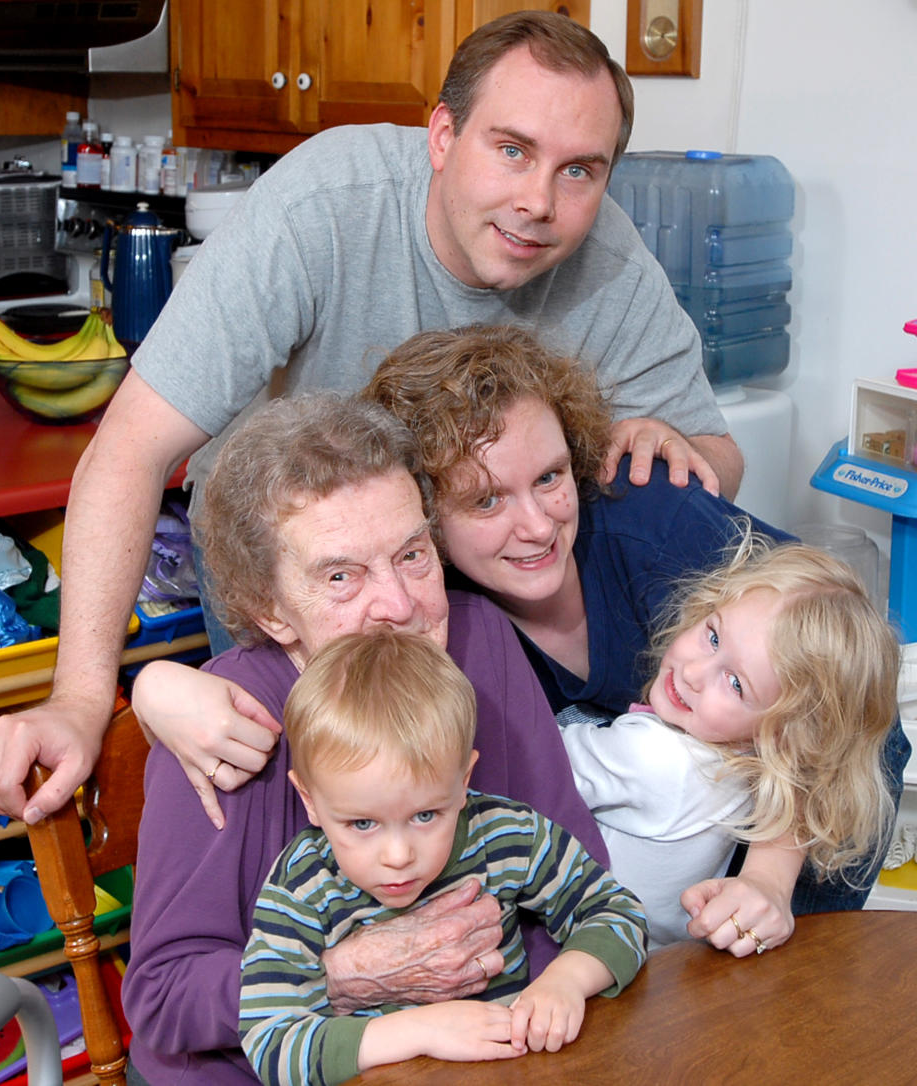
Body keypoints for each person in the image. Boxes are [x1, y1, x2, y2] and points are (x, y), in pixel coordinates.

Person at [0, 10, 743, 827]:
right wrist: (85, 699)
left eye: (579, 170)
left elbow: (718, 463)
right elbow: (129, 451)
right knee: (302, 839)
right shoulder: (323, 206)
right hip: (298, 591)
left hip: (456, 601)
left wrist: (672, 444)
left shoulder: (609, 258)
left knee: (470, 840)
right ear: (442, 136)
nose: (538, 202)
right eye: (511, 149)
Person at [140, 324, 908, 949]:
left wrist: (771, 886)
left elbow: (845, 702)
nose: (537, 525)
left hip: (763, 871)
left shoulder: (655, 525)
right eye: (485, 501)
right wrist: (154, 683)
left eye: (550, 477)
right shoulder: (437, 617)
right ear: (426, 518)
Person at [121, 394, 620, 1085]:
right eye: (340, 576)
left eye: (412, 555)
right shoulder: (228, 723)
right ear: (270, 607)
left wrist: (536, 1016)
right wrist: (351, 974)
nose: (398, 604)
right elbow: (164, 998)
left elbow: (571, 876)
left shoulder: (480, 643)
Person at [240, 630, 646, 1085]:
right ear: (310, 800)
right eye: (362, 824)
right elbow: (270, 1043)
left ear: (463, 779)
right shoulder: (301, 884)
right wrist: (418, 1031)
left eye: (425, 814)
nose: (397, 856)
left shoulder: (505, 834)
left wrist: (567, 980)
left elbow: (618, 911)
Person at [561, 529, 900, 949]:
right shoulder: (748, 761)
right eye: (714, 636)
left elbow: (526, 758)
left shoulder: (653, 755)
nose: (693, 673)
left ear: (782, 733)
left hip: (573, 957)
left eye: (736, 684)